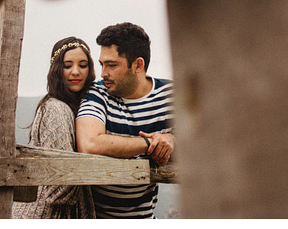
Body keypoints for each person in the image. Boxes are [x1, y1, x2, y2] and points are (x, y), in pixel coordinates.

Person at [76, 22, 175, 218]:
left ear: (138, 65)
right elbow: (89, 143)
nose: (103, 73)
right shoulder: (97, 93)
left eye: (112, 65)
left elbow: (202, 143)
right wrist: (149, 143)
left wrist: (172, 140)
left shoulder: (170, 95)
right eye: (102, 64)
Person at [11, 37, 97, 219]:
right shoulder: (56, 109)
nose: (76, 71)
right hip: (44, 215)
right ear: (57, 69)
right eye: (67, 65)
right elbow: (60, 184)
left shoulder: (77, 108)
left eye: (83, 65)